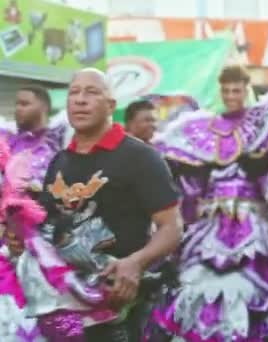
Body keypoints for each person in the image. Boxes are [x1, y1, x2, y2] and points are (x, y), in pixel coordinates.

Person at [9, 69, 183, 342]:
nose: (80, 100)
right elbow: (47, 227)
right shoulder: (60, 161)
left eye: (91, 92)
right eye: (74, 93)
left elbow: (171, 227)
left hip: (121, 305)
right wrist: (22, 240)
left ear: (111, 105)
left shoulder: (141, 157)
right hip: (66, 309)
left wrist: (135, 263)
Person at [152, 65, 268, 341]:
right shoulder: (199, 129)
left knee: (248, 289)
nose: (231, 95)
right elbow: (190, 183)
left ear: (246, 90)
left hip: (251, 222)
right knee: (199, 287)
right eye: (227, 90)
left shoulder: (264, 124)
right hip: (209, 223)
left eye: (237, 90)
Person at [0, 85, 71, 341]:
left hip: (48, 246)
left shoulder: (59, 142)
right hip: (8, 242)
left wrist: (36, 191)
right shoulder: (8, 142)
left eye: (24, 103)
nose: (18, 109)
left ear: (43, 106)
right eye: (16, 103)